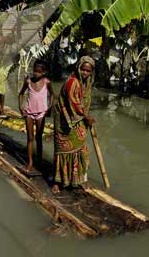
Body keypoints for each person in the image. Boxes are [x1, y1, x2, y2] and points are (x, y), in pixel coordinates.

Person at [52, 55, 97, 194]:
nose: (85, 73)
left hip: (79, 121)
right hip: (66, 121)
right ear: (78, 68)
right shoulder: (72, 82)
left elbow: (84, 103)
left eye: (88, 71)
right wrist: (87, 117)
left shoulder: (87, 83)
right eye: (83, 69)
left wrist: (86, 118)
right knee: (62, 151)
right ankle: (57, 182)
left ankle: (80, 179)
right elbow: (74, 104)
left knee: (81, 150)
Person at [18, 60, 54, 174]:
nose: (36, 74)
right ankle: (30, 162)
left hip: (41, 113)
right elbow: (21, 94)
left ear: (44, 72)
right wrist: (20, 107)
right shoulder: (28, 81)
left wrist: (49, 107)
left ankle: (39, 161)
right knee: (30, 138)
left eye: (39, 72)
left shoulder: (47, 82)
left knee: (39, 137)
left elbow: (52, 95)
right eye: (35, 71)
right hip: (29, 112)